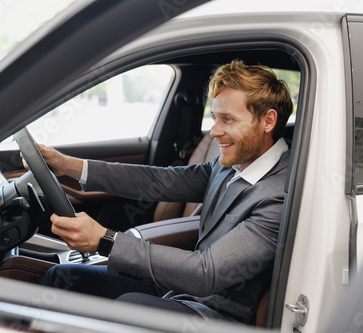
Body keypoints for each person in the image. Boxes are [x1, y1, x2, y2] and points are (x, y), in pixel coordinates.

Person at [36, 60, 293, 325]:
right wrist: (69, 165)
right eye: (215, 117)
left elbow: (206, 273)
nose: (215, 132)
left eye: (228, 119)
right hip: (183, 290)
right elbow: (159, 180)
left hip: (217, 314)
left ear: (268, 121)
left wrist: (107, 240)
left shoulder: (280, 194)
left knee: (129, 309)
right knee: (62, 278)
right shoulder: (235, 161)